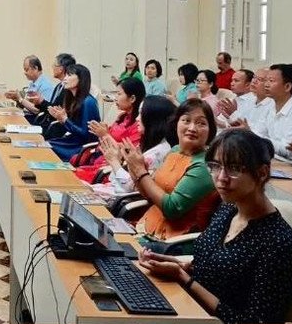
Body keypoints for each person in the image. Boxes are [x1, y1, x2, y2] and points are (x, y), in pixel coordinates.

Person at [140, 129, 292, 324]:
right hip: (190, 309)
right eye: (216, 166)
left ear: (262, 173)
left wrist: (184, 278)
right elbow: (210, 266)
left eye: (234, 168)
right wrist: (175, 264)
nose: (221, 177)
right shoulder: (228, 209)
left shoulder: (277, 243)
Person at [123, 99, 219, 242]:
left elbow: (172, 209)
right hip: (146, 228)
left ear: (210, 130)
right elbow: (150, 195)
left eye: (201, 123)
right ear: (176, 124)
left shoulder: (204, 166)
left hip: (173, 240)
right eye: (186, 120)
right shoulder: (174, 151)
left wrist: (142, 172)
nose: (192, 128)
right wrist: (134, 168)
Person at [92, 96, 177, 195]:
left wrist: (114, 161)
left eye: (141, 114)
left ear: (153, 119)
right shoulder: (148, 143)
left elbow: (131, 187)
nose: (137, 118)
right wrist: (118, 160)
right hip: (116, 191)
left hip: (122, 202)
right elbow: (116, 181)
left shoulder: (158, 152)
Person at [237, 64, 292, 168]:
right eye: (266, 80)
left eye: (271, 81)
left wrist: (252, 134)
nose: (266, 84)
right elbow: (259, 133)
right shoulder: (270, 108)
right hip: (273, 160)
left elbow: (288, 150)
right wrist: (252, 134)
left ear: (287, 87)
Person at [74, 77, 146, 181]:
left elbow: (128, 153)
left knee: (75, 176)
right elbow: (109, 138)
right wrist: (102, 133)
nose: (116, 98)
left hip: (113, 168)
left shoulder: (138, 125)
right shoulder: (122, 117)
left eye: (119, 94)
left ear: (132, 99)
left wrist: (105, 135)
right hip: (102, 159)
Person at [46, 64, 101, 161]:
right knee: (45, 144)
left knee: (47, 147)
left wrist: (65, 120)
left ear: (81, 79)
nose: (65, 78)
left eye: (69, 75)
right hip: (72, 141)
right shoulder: (73, 99)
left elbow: (85, 135)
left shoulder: (88, 102)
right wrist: (61, 119)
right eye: (66, 75)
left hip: (81, 148)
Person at [26, 54, 77, 129]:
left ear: (61, 69)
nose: (52, 67)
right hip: (46, 123)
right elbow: (51, 108)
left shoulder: (68, 90)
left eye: (54, 65)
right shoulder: (59, 86)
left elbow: (56, 111)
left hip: (56, 128)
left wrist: (41, 102)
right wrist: (38, 102)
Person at [223, 67, 273, 133]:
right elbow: (240, 123)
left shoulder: (272, 106)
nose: (254, 81)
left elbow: (260, 134)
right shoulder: (250, 101)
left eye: (260, 79)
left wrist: (233, 113)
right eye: (254, 77)